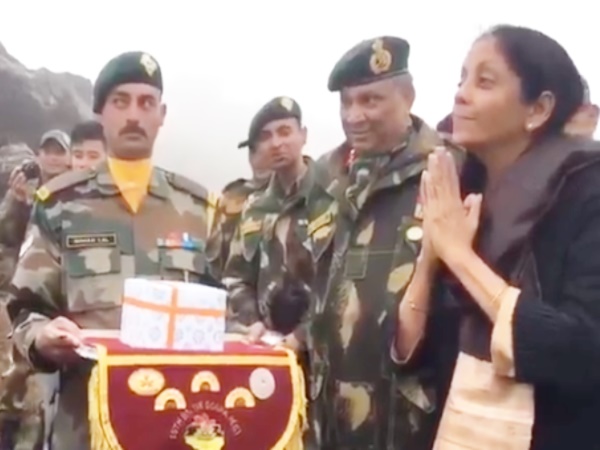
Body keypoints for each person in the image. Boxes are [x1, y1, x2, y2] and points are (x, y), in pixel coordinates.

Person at [393, 25, 600, 449]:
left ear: (538, 108)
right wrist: (430, 256)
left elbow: (581, 352)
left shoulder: (585, 190)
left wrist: (460, 256)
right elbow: (408, 353)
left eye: (484, 82)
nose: (461, 95)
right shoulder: (465, 191)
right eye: (461, 79)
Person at [6, 51, 216, 450]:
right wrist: (43, 336)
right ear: (100, 112)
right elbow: (25, 308)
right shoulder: (60, 205)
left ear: (162, 114)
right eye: (121, 102)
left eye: (146, 103)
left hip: (177, 423)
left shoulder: (198, 209)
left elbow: (228, 308)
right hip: (87, 423)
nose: (134, 115)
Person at [310, 36, 462, 450]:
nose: (354, 116)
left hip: (406, 418)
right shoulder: (325, 176)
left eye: (370, 101)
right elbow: (314, 282)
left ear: (408, 97)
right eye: (346, 102)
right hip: (327, 418)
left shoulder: (450, 168)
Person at [223, 96, 334, 352]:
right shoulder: (255, 208)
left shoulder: (331, 196)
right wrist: (252, 321)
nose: (276, 143)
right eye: (266, 136)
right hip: (269, 350)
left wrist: (302, 336)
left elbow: (340, 283)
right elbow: (235, 277)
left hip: (323, 351)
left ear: (303, 135)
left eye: (285, 132)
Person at [207, 130, 272, 279]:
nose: (259, 159)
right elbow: (212, 257)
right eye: (253, 151)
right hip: (229, 286)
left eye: (266, 152)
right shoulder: (232, 196)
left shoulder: (292, 197)